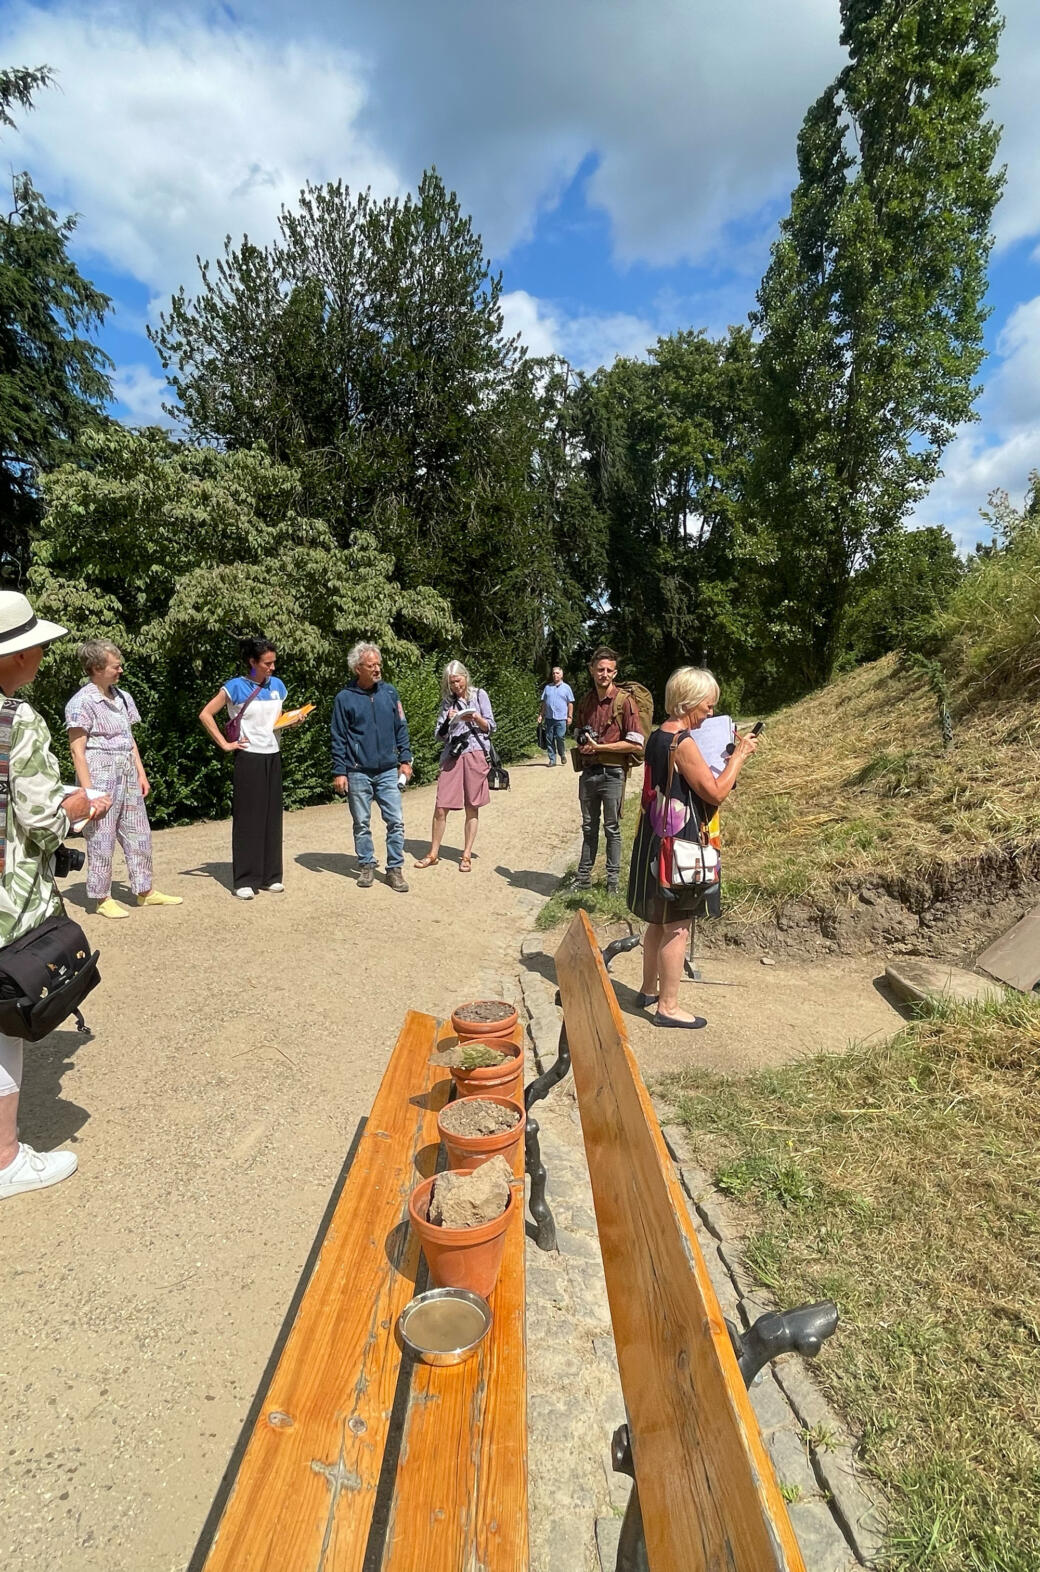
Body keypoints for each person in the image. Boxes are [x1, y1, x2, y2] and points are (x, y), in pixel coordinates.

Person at [0, 591, 112, 1198]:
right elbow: (44, 818)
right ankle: (5, 1159)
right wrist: (84, 804)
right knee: (4, 1022)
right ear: (16, 656)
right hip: (6, 897)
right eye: (35, 643)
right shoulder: (17, 719)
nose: (41, 651)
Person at [627, 666, 758, 1029]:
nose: (710, 713)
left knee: (659, 918)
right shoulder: (682, 743)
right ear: (687, 704)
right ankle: (668, 1007)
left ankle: (648, 989)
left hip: (657, 836)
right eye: (707, 706)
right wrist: (739, 756)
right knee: (679, 925)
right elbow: (715, 793)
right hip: (681, 842)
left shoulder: (658, 736)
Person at [65, 640, 182, 918]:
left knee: (138, 831)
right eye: (115, 666)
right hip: (100, 769)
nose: (120, 670)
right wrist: (89, 793)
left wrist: (141, 773)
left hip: (127, 769)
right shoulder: (81, 702)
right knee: (101, 836)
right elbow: (77, 750)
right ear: (96, 668)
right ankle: (101, 897)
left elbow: (130, 739)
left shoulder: (123, 697)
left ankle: (144, 890)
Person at [199, 637, 307, 900]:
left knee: (272, 817)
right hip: (248, 757)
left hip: (273, 754)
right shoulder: (234, 687)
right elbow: (205, 714)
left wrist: (293, 721)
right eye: (267, 663)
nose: (272, 668)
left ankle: (271, 876)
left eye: (274, 662)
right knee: (249, 819)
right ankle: (245, 879)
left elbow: (274, 722)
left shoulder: (278, 686)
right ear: (252, 662)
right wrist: (225, 744)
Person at [331, 643, 413, 892]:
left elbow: (402, 728)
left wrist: (405, 760)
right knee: (362, 822)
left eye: (378, 664)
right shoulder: (344, 698)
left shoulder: (390, 693)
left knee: (396, 821)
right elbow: (338, 737)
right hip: (357, 770)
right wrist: (339, 771)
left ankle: (395, 869)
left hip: (388, 769)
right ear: (358, 668)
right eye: (371, 665)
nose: (377, 669)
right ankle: (366, 864)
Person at [573, 647, 645, 895]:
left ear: (615, 673)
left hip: (613, 772)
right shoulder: (586, 701)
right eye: (599, 669)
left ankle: (612, 882)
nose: (604, 674)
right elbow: (577, 731)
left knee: (612, 828)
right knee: (588, 827)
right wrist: (582, 739)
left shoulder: (625, 702)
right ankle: (583, 879)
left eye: (608, 670)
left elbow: (636, 742)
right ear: (592, 670)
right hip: (589, 771)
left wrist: (602, 746)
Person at [414, 662, 496, 873]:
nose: (455, 686)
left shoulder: (479, 695)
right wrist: (448, 722)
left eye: (457, 681)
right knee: (441, 806)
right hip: (453, 754)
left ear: (465, 677)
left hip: (476, 752)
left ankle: (466, 855)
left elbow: (491, 727)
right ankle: (433, 853)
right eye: (451, 683)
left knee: (472, 805)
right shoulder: (447, 702)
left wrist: (476, 717)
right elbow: (439, 735)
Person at [538, 666, 574, 766]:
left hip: (561, 718)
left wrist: (570, 716)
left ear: (562, 675)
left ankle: (562, 754)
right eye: (553, 673)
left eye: (557, 673)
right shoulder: (547, 687)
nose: (555, 675)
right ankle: (552, 759)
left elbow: (570, 703)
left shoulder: (566, 688)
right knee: (549, 738)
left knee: (560, 737)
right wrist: (541, 715)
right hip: (549, 717)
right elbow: (544, 703)